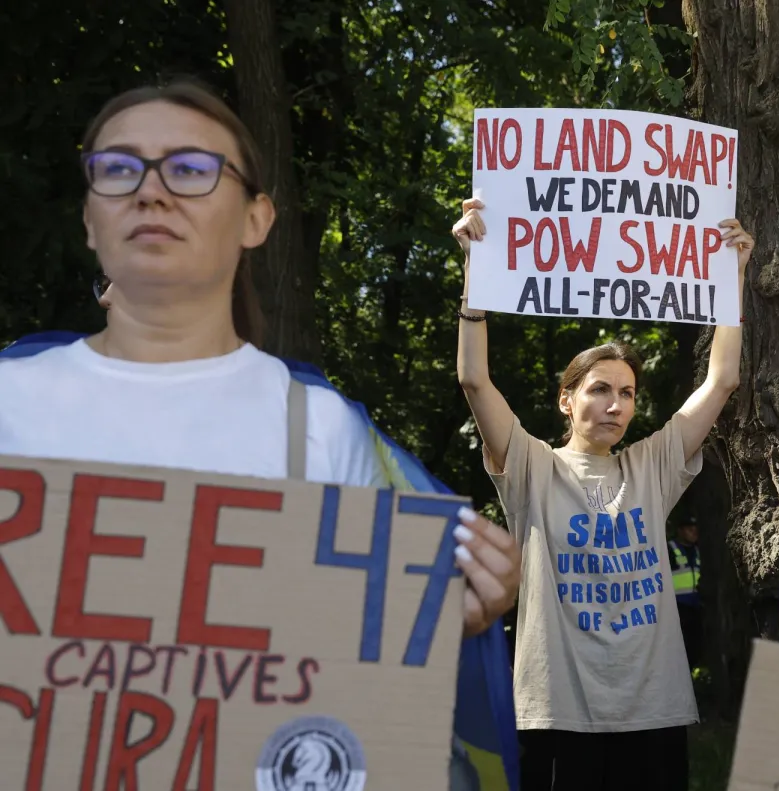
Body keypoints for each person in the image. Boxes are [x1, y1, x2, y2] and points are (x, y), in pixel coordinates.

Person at [0, 79, 520, 791]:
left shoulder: (322, 429)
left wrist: (436, 617)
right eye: (118, 169)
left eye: (190, 169)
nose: (151, 192)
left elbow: (347, 683)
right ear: (91, 217)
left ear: (256, 218)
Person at [453, 197, 753, 791]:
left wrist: (732, 275)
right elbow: (473, 378)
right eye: (599, 389)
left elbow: (722, 379)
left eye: (627, 393)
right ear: (567, 399)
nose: (616, 405)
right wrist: (475, 273)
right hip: (557, 714)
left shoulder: (652, 466)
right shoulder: (531, 466)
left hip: (653, 713)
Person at [668, 515, 703, 670]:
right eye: (690, 529)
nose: (694, 533)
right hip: (677, 606)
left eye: (695, 530)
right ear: (680, 531)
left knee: (695, 647)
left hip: (696, 605)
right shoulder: (669, 548)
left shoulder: (698, 550)